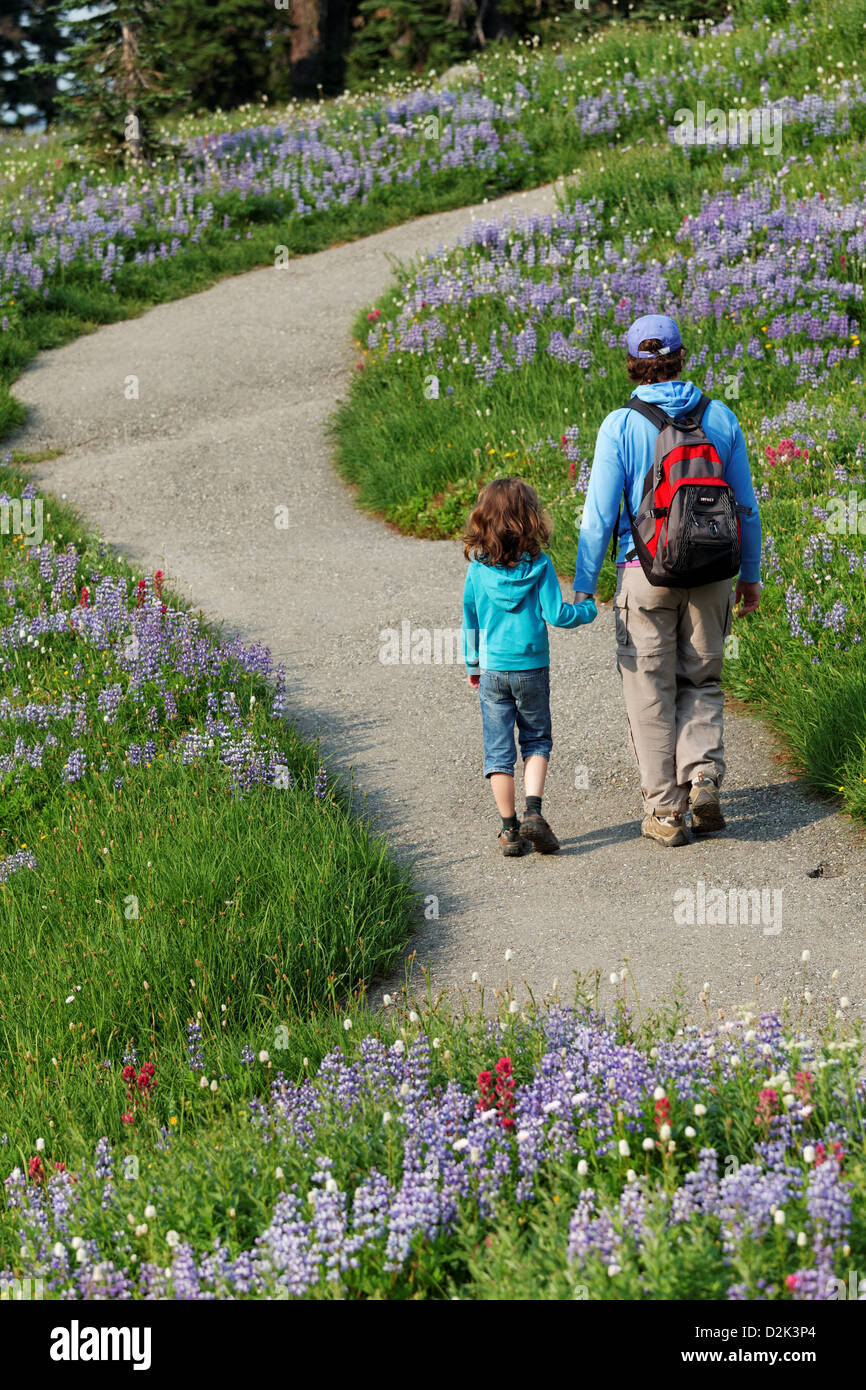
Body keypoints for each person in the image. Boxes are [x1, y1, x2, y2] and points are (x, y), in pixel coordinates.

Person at [573, 314, 762, 847]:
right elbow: (745, 508)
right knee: (701, 679)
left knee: (648, 690)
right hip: (712, 576)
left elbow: (598, 513)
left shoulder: (621, 424)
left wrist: (586, 583)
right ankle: (702, 775)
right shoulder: (720, 417)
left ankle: (666, 813)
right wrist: (751, 574)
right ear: (681, 357)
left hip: (644, 574)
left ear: (633, 364)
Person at [462, 476, 597, 857]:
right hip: (532, 668)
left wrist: (472, 663)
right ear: (530, 520)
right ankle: (533, 812)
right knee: (536, 740)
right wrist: (586, 609)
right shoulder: (540, 566)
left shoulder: (477, 570)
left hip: (491, 670)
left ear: (483, 521)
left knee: (498, 751)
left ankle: (509, 831)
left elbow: (469, 618)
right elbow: (556, 614)